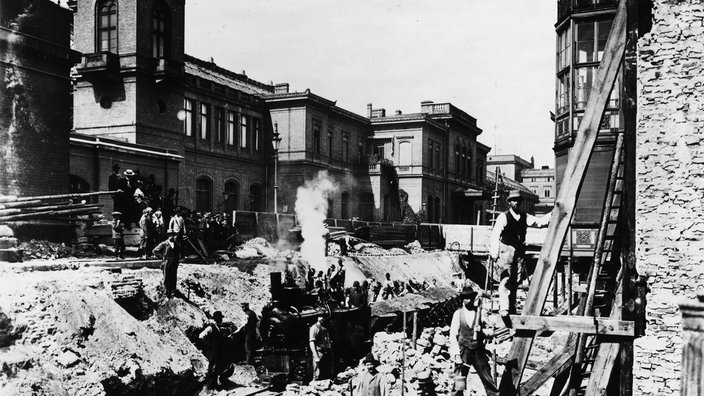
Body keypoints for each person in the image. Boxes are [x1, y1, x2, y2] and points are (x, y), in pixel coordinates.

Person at [488, 189, 551, 326]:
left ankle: (511, 307)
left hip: (519, 252)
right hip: (506, 250)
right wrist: (494, 253)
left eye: (518, 200)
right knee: (505, 279)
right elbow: (495, 235)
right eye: (513, 200)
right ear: (509, 202)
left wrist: (553, 214)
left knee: (516, 280)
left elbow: (539, 223)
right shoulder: (503, 217)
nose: (516, 203)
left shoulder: (524, 216)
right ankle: (504, 308)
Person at [448, 286, 499, 396]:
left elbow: (490, 326)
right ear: (462, 299)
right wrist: (456, 356)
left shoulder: (480, 312)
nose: (469, 300)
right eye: (466, 298)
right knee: (459, 382)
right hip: (463, 351)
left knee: (488, 380)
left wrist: (485, 331)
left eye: (470, 297)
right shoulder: (458, 314)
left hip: (478, 350)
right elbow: (453, 335)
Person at [199, 311, 227, 391]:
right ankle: (209, 387)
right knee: (212, 369)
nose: (221, 320)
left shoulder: (218, 327)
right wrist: (208, 345)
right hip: (212, 351)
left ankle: (214, 385)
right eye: (220, 318)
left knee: (216, 369)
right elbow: (201, 336)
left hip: (217, 351)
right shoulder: (211, 327)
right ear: (217, 319)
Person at [152, 230, 180, 297]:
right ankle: (166, 292)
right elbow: (154, 251)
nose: (172, 237)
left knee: (173, 276)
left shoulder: (176, 243)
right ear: (168, 236)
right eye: (170, 235)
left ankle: (173, 291)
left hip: (174, 263)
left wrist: (177, 260)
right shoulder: (164, 244)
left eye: (173, 235)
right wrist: (162, 257)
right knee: (166, 277)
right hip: (167, 262)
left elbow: (178, 253)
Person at [309, 315, 332, 381]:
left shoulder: (325, 328)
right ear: (317, 317)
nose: (322, 318)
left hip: (326, 352)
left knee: (326, 375)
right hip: (319, 352)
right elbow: (311, 342)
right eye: (320, 316)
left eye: (323, 316)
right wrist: (316, 356)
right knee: (317, 375)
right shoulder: (314, 328)